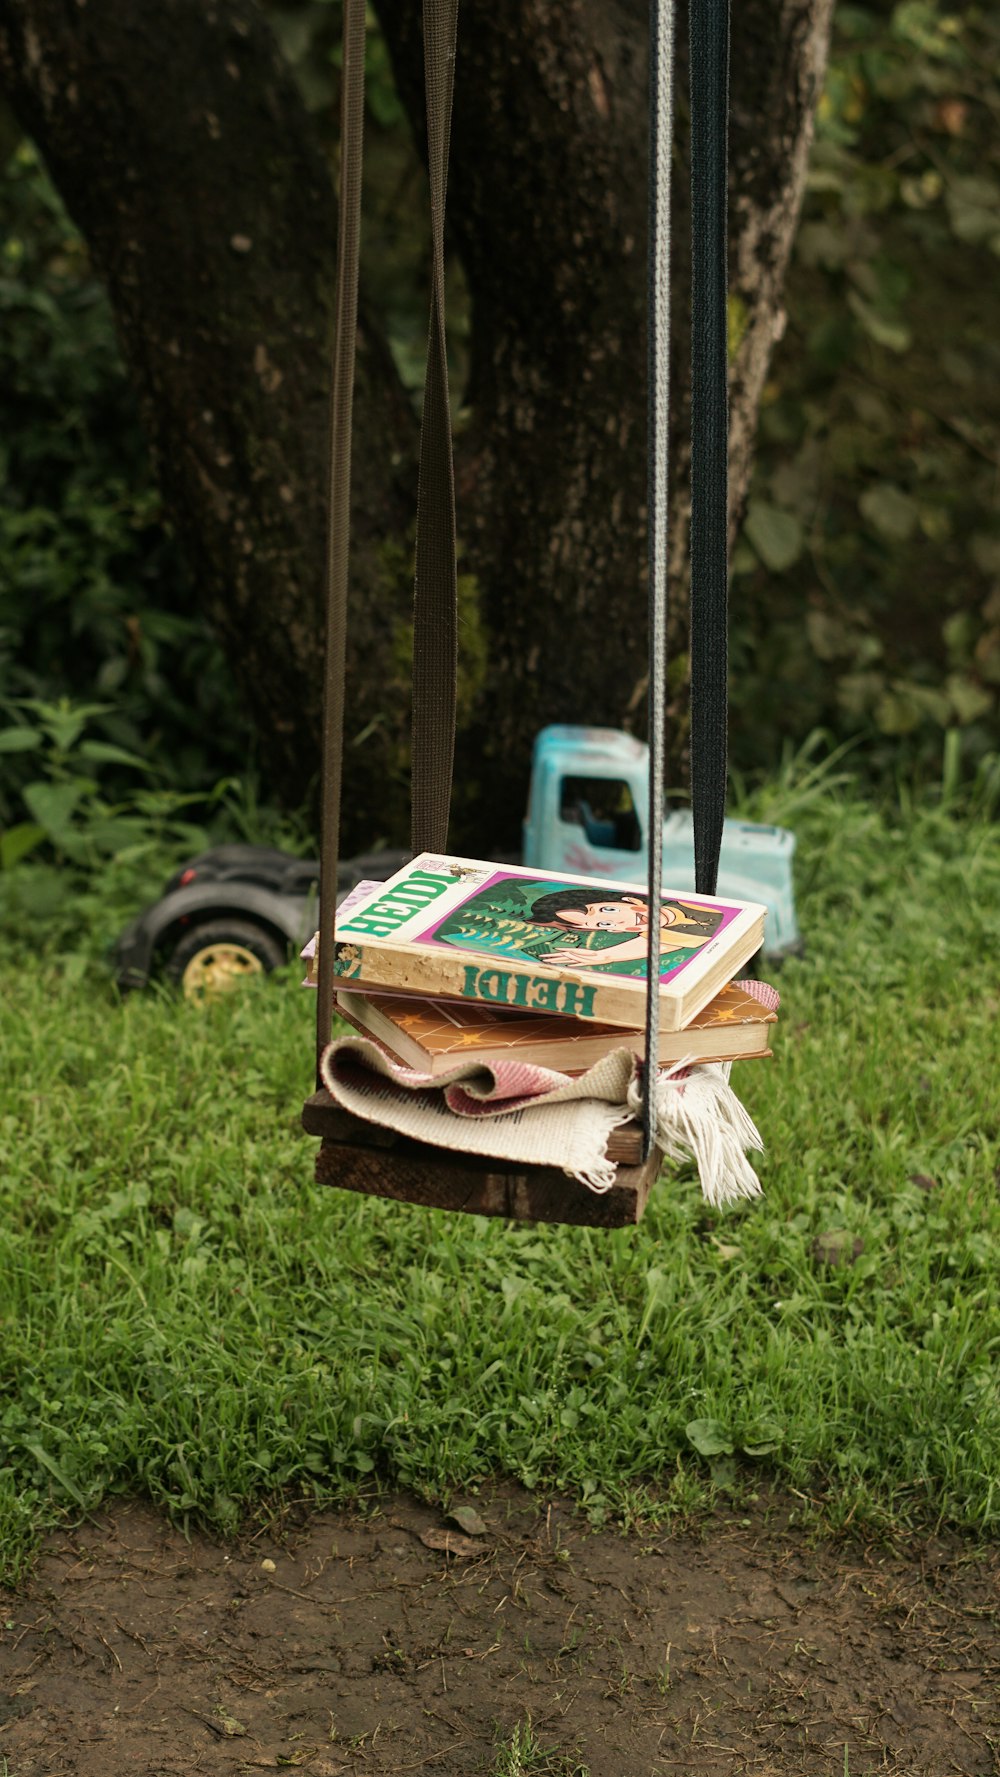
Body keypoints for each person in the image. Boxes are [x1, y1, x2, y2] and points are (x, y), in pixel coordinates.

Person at [526, 885, 722, 977]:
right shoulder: (674, 934)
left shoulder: (686, 906)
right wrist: (603, 956)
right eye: (605, 925)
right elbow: (662, 941)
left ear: (630, 900)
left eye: (608, 910)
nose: (618, 920)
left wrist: (606, 955)